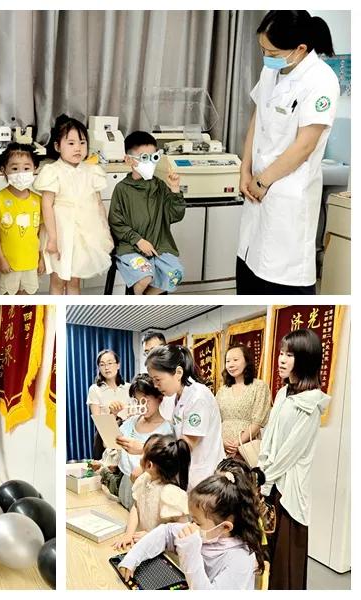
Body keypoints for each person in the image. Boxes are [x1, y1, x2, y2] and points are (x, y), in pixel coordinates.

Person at [236, 10, 339, 294]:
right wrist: (245, 169)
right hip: (257, 190)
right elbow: (257, 118)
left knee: (281, 281)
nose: (265, 57)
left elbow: (304, 145)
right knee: (249, 271)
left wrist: (262, 181)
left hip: (286, 195)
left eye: (272, 52)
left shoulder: (321, 81)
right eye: (262, 49)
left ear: (300, 49)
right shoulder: (271, 70)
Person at [258, 328, 329, 589]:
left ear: (306, 359)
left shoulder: (310, 403)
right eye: (281, 353)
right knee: (269, 551)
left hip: (288, 489)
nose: (281, 359)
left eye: (290, 355)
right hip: (272, 481)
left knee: (286, 559)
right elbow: (271, 437)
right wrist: (262, 470)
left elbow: (290, 452)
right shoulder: (283, 393)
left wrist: (264, 478)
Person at [118, 470, 265, 589]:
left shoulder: (240, 560)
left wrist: (190, 553)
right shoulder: (206, 533)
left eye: (197, 523)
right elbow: (165, 532)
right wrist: (132, 558)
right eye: (192, 520)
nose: (191, 525)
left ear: (225, 527)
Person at [118, 345, 225, 490]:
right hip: (187, 473)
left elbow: (185, 446)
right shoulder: (176, 397)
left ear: (178, 373)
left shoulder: (198, 397)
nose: (155, 386)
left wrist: (144, 449)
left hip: (205, 474)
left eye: (158, 379)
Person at [34, 115, 113, 294]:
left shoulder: (92, 171)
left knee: (74, 280)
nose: (78, 148)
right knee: (58, 280)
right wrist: (52, 238)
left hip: (84, 233)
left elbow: (98, 204)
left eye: (82, 142)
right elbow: (46, 206)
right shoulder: (52, 171)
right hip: (60, 232)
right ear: (57, 146)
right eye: (71, 143)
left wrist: (105, 233)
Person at [109, 131, 186, 294]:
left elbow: (175, 215)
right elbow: (116, 222)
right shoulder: (122, 189)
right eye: (144, 158)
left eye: (153, 157)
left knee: (176, 275)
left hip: (159, 246)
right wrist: (138, 241)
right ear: (128, 160)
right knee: (145, 277)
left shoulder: (160, 186)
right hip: (131, 247)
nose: (150, 162)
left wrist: (175, 190)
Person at [113, 434, 190, 551]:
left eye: (143, 454)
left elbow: (181, 531)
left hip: (163, 553)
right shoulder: (144, 479)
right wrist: (128, 534)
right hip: (143, 546)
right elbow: (136, 507)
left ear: (149, 465)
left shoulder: (171, 493)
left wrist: (153, 537)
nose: (140, 456)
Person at [109, 374, 173, 509]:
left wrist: (145, 468)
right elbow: (109, 442)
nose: (141, 405)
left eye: (145, 400)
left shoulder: (167, 430)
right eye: (137, 401)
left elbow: (168, 463)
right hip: (126, 484)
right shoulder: (132, 422)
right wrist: (112, 416)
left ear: (160, 398)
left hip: (150, 489)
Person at [0, 142, 44, 294]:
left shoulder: (38, 200)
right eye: (14, 168)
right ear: (3, 170)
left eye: (26, 168)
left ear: (35, 168)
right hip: (8, 264)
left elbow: (41, 234)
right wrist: (0, 259)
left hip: (31, 264)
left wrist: (42, 258)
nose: (21, 173)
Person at [215, 344, 271, 458]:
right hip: (222, 449)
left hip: (247, 449)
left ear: (247, 361)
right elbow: (214, 421)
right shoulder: (222, 390)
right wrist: (222, 442)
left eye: (235, 360)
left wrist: (238, 443)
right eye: (228, 361)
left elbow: (257, 422)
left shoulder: (259, 387)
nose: (231, 364)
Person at [86, 349, 131, 459]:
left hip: (126, 436)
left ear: (118, 365)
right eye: (102, 364)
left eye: (110, 363)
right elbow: (98, 422)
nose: (106, 367)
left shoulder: (129, 388)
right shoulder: (95, 389)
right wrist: (112, 414)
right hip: (104, 438)